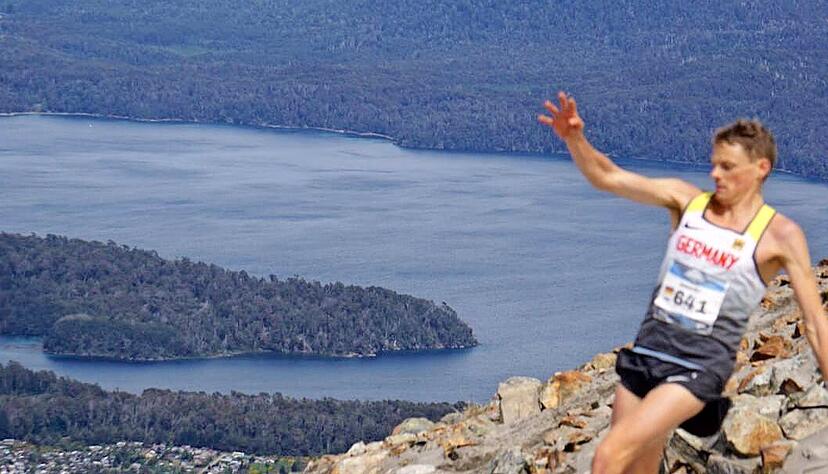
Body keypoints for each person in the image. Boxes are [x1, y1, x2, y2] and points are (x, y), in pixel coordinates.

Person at [537, 92, 828, 474]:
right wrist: (575, 138)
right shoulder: (688, 202)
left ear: (761, 168)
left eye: (728, 167)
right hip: (647, 354)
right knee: (635, 468)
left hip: (697, 367)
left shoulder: (779, 235)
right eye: (714, 165)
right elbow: (608, 177)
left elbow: (813, 323)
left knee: (607, 457)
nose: (715, 175)